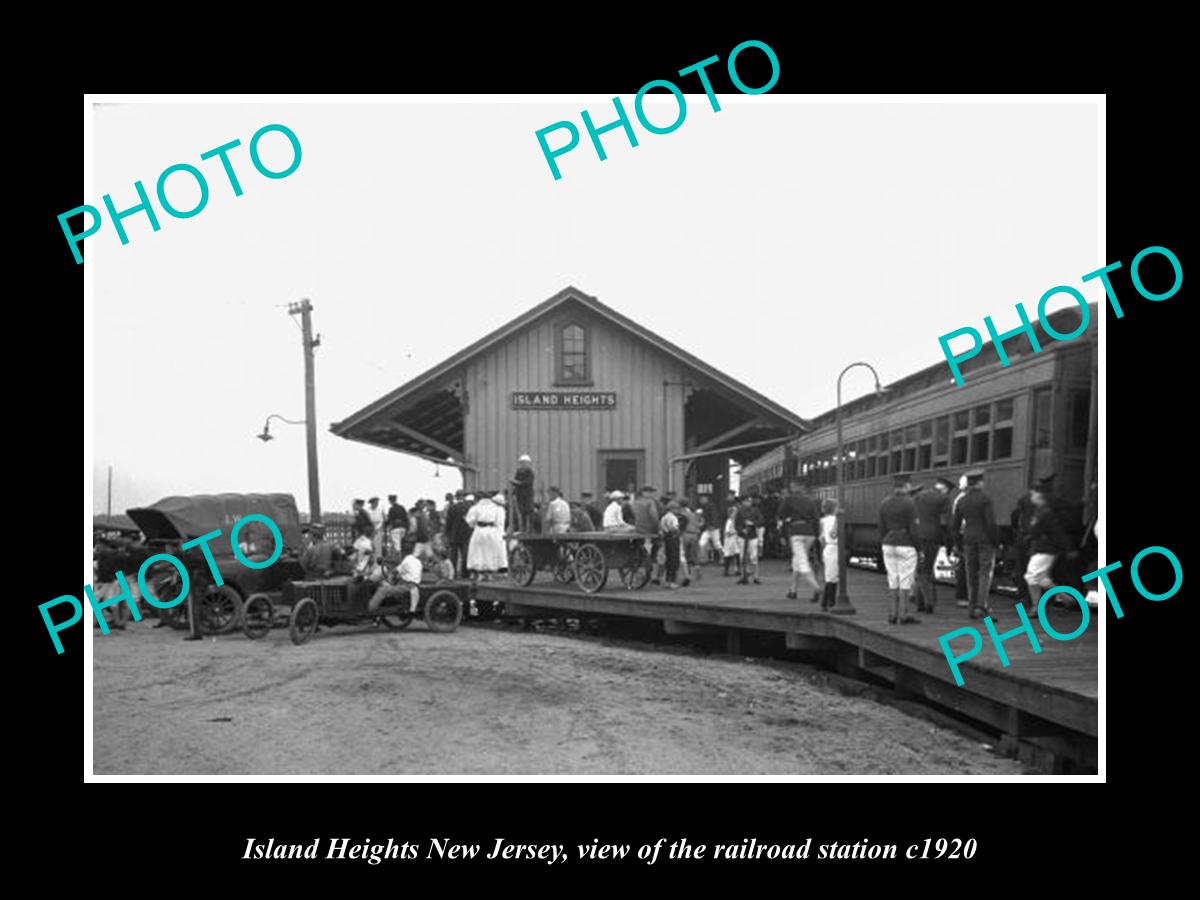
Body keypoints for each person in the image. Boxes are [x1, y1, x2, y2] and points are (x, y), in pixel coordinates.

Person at [952, 469, 1001, 620]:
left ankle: (972, 608)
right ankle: (981, 607)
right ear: (980, 482)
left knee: (971, 574)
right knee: (985, 573)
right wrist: (996, 541)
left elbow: (955, 526)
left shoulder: (962, 500)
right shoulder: (985, 499)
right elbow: (990, 523)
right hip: (985, 540)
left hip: (968, 539)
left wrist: (958, 544)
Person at [879, 472, 920, 625]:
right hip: (905, 543)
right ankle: (904, 614)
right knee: (905, 579)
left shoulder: (884, 503)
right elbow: (914, 528)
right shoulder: (910, 503)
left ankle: (892, 614)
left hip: (888, 543)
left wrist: (885, 539)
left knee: (892, 577)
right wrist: (918, 547)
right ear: (906, 485)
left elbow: (881, 527)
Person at [1023, 487, 1069, 612]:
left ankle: (1037, 607)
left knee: (1031, 576)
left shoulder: (1044, 513)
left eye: (1034, 495)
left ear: (1040, 498)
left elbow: (1055, 532)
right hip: (1043, 548)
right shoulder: (1041, 511)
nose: (1031, 497)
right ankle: (1063, 597)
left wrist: (1068, 548)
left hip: (1044, 548)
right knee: (1042, 578)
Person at [1012, 473, 1055, 605]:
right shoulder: (1048, 500)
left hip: (1024, 537)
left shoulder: (1024, 498)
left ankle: (1025, 597)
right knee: (1042, 571)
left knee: (1024, 568)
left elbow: (1014, 516)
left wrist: (1017, 531)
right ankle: (1047, 599)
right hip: (1038, 540)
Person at [913, 476, 954, 612]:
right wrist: (949, 542)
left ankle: (920, 603)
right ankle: (929, 602)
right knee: (926, 569)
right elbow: (945, 523)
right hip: (932, 537)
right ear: (945, 488)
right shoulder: (944, 499)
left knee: (921, 568)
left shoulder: (920, 496)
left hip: (917, 535)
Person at [778, 478, 821, 603]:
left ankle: (816, 587)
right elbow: (816, 518)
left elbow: (781, 513)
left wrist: (788, 517)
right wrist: (816, 534)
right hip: (810, 533)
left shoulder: (790, 499)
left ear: (795, 486)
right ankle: (793, 590)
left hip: (796, 532)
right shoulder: (811, 499)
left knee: (801, 561)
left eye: (792, 486)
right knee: (797, 560)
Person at [368, 550, 422, 616]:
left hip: (408, 586)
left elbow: (395, 572)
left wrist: (390, 576)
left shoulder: (406, 561)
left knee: (382, 590)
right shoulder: (417, 562)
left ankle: (370, 609)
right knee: (386, 587)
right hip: (412, 585)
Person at [466, 493, 508, 578]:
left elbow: (470, 521)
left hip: (479, 531)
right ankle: (490, 571)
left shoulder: (475, 508)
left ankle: (478, 570)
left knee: (477, 551)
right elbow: (500, 523)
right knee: (490, 552)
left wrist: (474, 525)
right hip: (492, 531)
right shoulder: (498, 509)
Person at [632, 486, 663, 582]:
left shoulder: (635, 502)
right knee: (655, 551)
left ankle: (639, 571)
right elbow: (654, 517)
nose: (653, 494)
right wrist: (657, 529)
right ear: (645, 493)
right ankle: (652, 574)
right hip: (649, 531)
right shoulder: (650, 502)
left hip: (638, 530)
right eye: (651, 492)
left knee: (640, 551)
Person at [950, 475, 970, 608]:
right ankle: (963, 596)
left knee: (964, 566)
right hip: (965, 534)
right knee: (965, 567)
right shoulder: (963, 499)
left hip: (962, 534)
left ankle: (963, 596)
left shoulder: (959, 498)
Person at [817, 498, 839, 611]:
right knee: (833, 577)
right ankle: (827, 602)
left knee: (829, 576)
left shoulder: (822, 521)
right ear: (834, 508)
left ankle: (828, 602)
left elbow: (821, 538)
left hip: (827, 548)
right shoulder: (836, 519)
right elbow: (834, 534)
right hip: (834, 547)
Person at [445, 490, 472, 577]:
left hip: (454, 534)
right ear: (464, 497)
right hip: (466, 534)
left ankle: (453, 574)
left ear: (456, 497)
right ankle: (465, 573)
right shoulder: (469, 507)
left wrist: (447, 533)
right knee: (465, 554)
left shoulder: (452, 507)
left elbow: (448, 522)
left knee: (453, 555)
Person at [737, 496, 763, 585]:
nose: (748, 503)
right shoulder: (739, 511)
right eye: (746, 501)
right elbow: (737, 524)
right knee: (742, 557)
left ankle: (756, 576)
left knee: (753, 557)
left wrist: (753, 523)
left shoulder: (755, 511)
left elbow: (761, 521)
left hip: (752, 536)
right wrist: (741, 530)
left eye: (749, 501)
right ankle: (743, 575)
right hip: (742, 536)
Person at [510, 454, 536, 533]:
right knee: (522, 512)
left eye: (523, 463)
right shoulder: (519, 472)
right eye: (521, 463)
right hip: (520, 494)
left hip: (527, 494)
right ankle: (524, 528)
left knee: (529, 510)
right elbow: (516, 482)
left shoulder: (530, 472)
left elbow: (526, 483)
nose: (522, 465)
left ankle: (530, 528)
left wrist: (516, 482)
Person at [660, 501, 682, 588]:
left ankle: (667, 580)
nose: (677, 510)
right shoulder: (673, 518)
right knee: (674, 559)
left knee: (668, 559)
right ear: (672, 509)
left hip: (666, 538)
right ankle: (672, 581)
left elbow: (661, 527)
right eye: (676, 508)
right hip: (673, 537)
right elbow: (675, 528)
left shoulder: (664, 517)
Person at [679, 498, 701, 584]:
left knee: (684, 555)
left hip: (685, 534)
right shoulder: (693, 514)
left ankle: (687, 574)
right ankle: (697, 570)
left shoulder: (681, 514)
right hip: (694, 535)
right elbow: (698, 524)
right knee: (694, 554)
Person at [721, 504, 743, 578]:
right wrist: (735, 531)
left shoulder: (736, 522)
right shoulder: (729, 521)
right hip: (729, 540)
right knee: (728, 555)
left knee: (737, 554)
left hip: (735, 539)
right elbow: (727, 532)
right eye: (734, 513)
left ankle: (737, 570)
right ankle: (726, 571)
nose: (735, 514)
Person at [697, 497, 721, 563]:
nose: (700, 501)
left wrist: (712, 524)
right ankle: (704, 558)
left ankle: (721, 558)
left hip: (712, 528)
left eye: (701, 500)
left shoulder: (709, 507)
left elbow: (713, 516)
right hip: (709, 528)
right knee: (703, 543)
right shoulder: (707, 507)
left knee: (716, 544)